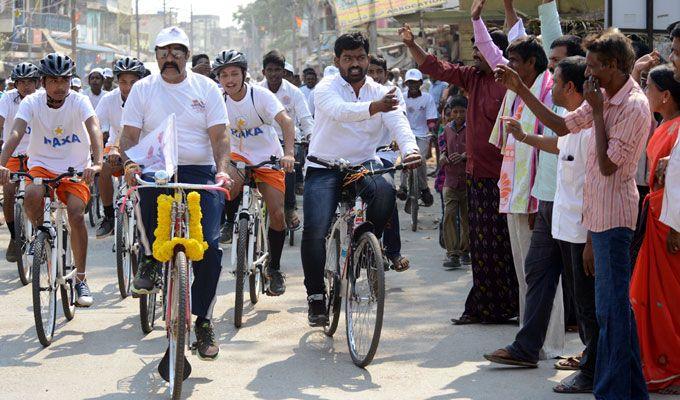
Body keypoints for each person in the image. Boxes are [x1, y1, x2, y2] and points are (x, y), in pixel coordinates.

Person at [522, 28, 651, 399]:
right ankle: (629, 391)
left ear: (613, 65)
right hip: (598, 220)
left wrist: (596, 113)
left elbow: (609, 166)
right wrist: (520, 90)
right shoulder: (604, 96)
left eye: (594, 66)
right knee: (614, 313)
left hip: (616, 219)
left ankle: (613, 390)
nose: (588, 74)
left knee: (612, 313)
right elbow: (562, 125)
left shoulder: (633, 106)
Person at [120, 26, 232, 361]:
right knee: (145, 204)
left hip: (199, 170)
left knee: (209, 246)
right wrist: (128, 163)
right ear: (155, 57)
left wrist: (222, 169)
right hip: (156, 165)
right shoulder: (142, 89)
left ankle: (203, 321)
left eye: (177, 51)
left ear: (186, 54)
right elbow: (129, 136)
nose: (170, 58)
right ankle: (152, 259)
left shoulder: (207, 88)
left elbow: (220, 136)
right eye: (164, 52)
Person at [399, 17, 519, 326]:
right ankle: (485, 306)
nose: (474, 56)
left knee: (504, 245)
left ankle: (510, 305)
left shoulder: (510, 83)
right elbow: (437, 68)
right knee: (481, 245)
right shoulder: (472, 77)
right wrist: (412, 44)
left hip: (505, 177)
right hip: (475, 176)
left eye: (481, 52)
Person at [492, 57, 600, 392]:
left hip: (580, 219)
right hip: (553, 207)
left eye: (554, 77)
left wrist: (521, 88)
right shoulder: (576, 118)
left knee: (583, 295)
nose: (549, 83)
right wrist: (525, 138)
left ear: (570, 86)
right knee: (537, 272)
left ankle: (592, 363)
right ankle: (527, 346)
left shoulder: (588, 118)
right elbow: (559, 142)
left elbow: (560, 130)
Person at [302, 32, 421, 326]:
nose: (354, 64)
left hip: (362, 164)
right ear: (337, 61)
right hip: (324, 165)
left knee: (385, 191)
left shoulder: (383, 90)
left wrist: (410, 150)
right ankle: (316, 296)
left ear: (368, 59)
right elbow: (340, 112)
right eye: (348, 59)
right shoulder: (326, 87)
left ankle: (365, 245)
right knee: (316, 230)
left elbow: (399, 123)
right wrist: (375, 107)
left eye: (360, 58)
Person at [0, 53, 104, 307]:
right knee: (32, 195)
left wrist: (97, 161)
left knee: (77, 215)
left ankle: (80, 278)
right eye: (54, 80)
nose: (60, 86)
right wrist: (2, 161)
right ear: (43, 82)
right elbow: (16, 131)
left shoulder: (79, 101)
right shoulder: (32, 102)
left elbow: (94, 128)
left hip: (75, 167)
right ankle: (42, 232)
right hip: (42, 166)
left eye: (65, 80)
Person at [215, 49, 296, 296]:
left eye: (234, 74)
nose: (229, 80)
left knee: (278, 214)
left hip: (268, 158)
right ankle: (229, 223)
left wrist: (289, 153)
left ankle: (274, 268)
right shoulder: (218, 99)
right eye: (224, 75)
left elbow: (286, 122)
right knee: (225, 186)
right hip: (237, 157)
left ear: (244, 74)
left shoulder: (259, 96)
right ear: (219, 78)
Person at [630, 64, 680, 394]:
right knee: (648, 294)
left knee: (670, 298)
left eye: (648, 87)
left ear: (665, 95)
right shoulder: (663, 124)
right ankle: (657, 362)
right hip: (656, 215)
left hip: (671, 221)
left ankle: (672, 365)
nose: (645, 92)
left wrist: (676, 226)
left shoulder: (677, 129)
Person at [258, 50, 313, 235]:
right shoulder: (256, 90)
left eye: (277, 70)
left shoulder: (294, 92)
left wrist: (311, 137)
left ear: (284, 71)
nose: (273, 74)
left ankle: (290, 208)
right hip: (262, 142)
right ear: (263, 72)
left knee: (288, 166)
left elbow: (305, 118)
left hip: (287, 141)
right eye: (270, 70)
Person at [93, 57, 146, 238]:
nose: (127, 87)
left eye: (133, 82)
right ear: (117, 81)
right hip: (115, 150)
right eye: (123, 81)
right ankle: (108, 216)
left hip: (143, 151)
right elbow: (95, 126)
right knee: (104, 168)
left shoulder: (149, 98)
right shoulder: (109, 99)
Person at [367, 54, 410, 272]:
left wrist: (398, 140)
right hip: (357, 156)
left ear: (385, 73)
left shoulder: (393, 92)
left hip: (384, 156)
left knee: (388, 192)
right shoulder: (358, 90)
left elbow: (399, 118)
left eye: (379, 72)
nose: (375, 76)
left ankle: (393, 251)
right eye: (371, 72)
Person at [0, 62, 40, 261]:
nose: (25, 86)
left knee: (40, 192)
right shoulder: (7, 99)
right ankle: (15, 237)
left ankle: (42, 233)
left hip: (36, 156)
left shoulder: (43, 99)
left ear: (37, 83)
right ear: (15, 84)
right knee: (8, 192)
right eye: (21, 82)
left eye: (29, 82)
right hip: (13, 155)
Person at [397, 68, 438, 207]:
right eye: (410, 83)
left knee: (420, 159)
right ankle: (403, 186)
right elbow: (398, 116)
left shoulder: (427, 98)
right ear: (406, 84)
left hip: (422, 134)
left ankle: (424, 188)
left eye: (415, 83)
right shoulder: (401, 97)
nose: (413, 86)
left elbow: (431, 118)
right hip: (406, 133)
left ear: (420, 83)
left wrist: (432, 131)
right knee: (405, 158)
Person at [439, 95, 469, 270]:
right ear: (450, 113)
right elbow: (442, 148)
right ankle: (453, 254)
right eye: (455, 112)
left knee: (467, 218)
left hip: (467, 181)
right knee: (449, 216)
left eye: (462, 112)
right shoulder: (445, 130)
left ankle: (466, 250)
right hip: (450, 181)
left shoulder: (471, 129)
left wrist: (464, 156)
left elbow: (476, 150)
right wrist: (443, 157)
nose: (458, 115)